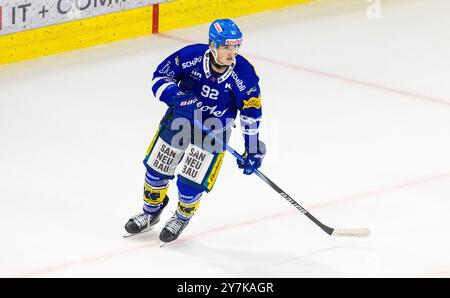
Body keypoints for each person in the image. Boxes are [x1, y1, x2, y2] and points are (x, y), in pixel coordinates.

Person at [124, 19, 266, 244]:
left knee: (191, 180)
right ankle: (151, 212)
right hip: (181, 119)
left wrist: (252, 147)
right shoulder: (190, 56)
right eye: (226, 47)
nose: (232, 53)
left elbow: (251, 112)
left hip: (213, 130)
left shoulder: (245, 73)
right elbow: (160, 77)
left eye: (235, 47)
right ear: (212, 45)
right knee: (157, 169)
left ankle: (181, 217)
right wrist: (175, 96)